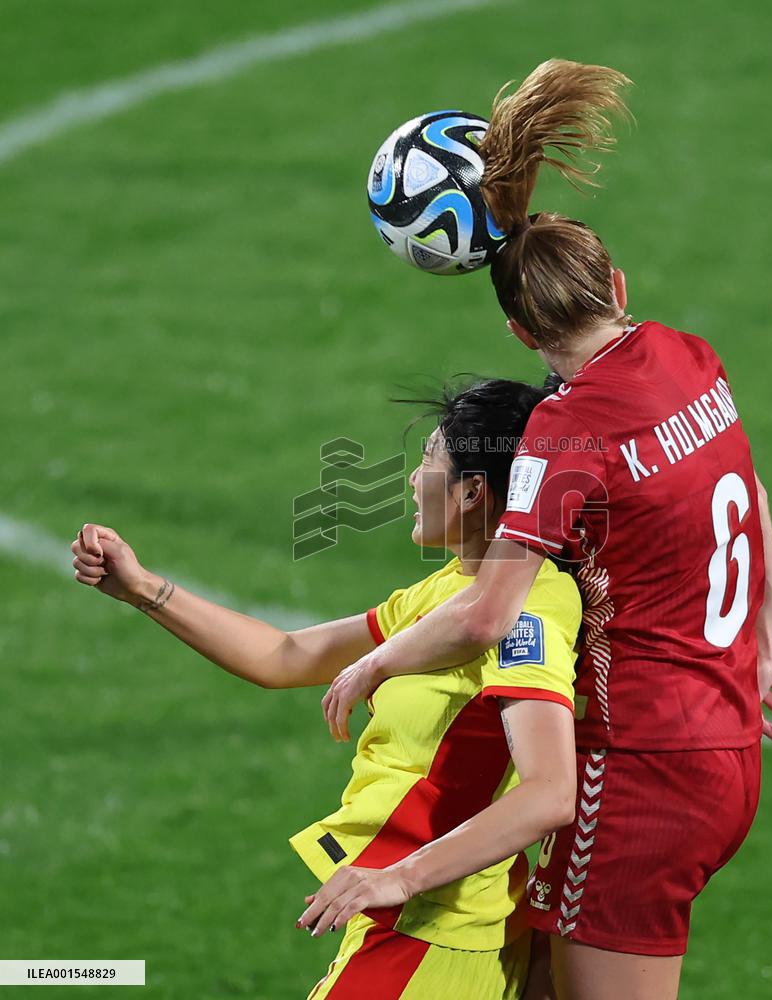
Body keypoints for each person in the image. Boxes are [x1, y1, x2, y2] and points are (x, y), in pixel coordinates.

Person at [319, 60, 772, 1000]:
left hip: (644, 776)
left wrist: (379, 662)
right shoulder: (685, 355)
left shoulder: (564, 431)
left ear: (515, 335)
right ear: (614, 282)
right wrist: (763, 634)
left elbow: (487, 612)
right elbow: (755, 494)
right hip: (725, 747)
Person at [70, 378, 584, 1000]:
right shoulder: (446, 594)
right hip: (404, 926)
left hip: (428, 937)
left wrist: (399, 877)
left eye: (427, 458)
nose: (412, 478)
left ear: (473, 491)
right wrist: (144, 589)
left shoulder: (527, 610)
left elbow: (552, 793)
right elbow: (286, 654)